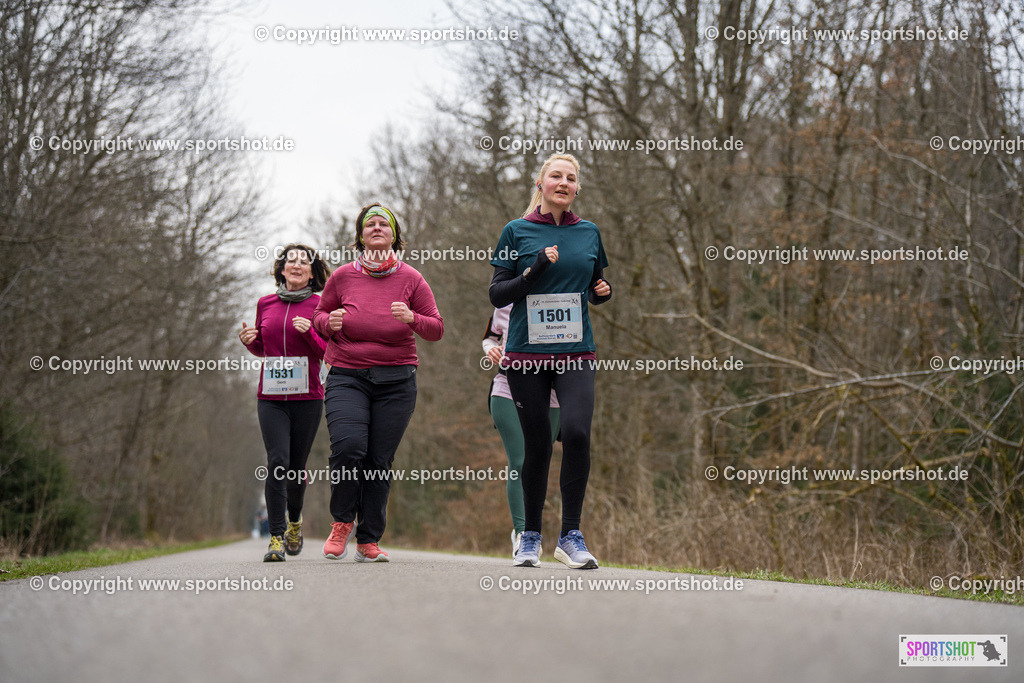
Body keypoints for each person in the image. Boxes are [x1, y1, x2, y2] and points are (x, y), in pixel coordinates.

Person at [489, 153, 612, 569]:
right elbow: (498, 294)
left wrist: (601, 292)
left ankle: (571, 536)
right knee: (537, 444)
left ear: (577, 188)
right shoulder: (516, 231)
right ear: (540, 184)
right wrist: (535, 269)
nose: (563, 182)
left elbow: (593, 285)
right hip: (526, 355)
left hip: (576, 352)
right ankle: (530, 537)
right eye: (555, 176)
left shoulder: (590, 233)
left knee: (577, 433)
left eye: (571, 178)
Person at [312, 202, 444, 562]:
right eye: (369, 224)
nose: (376, 227)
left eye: (383, 224)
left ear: (394, 236)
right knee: (349, 448)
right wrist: (329, 323)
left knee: (378, 460)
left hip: (397, 381)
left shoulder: (412, 279)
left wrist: (413, 317)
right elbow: (318, 316)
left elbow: (436, 328)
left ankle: (368, 539)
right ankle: (341, 522)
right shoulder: (341, 277)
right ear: (360, 236)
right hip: (347, 376)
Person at [241, 244, 331, 562]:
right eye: (290, 260)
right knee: (277, 463)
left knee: (296, 468)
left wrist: (309, 333)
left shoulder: (321, 305)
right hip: (271, 397)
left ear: (311, 272)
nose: (296, 264)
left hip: (308, 397)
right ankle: (276, 538)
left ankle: (295, 521)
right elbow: (265, 349)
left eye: (303, 261)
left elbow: (327, 352)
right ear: (281, 269)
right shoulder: (265, 303)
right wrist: (251, 343)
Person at [482, 304, 560, 558]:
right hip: (507, 388)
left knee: (540, 462)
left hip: (554, 394)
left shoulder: (560, 296)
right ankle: (523, 533)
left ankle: (546, 532)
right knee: (521, 460)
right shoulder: (505, 300)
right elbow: (490, 336)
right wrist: (491, 349)